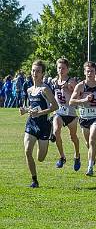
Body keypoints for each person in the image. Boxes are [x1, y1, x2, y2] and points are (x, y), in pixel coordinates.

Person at [20, 60, 58, 188]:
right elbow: (31, 106)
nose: (34, 73)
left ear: (42, 74)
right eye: (33, 70)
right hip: (31, 124)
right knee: (27, 151)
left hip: (44, 126)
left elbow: (55, 106)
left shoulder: (45, 89)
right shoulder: (30, 89)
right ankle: (34, 180)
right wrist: (24, 110)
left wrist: (41, 113)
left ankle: (48, 134)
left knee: (40, 158)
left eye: (37, 71)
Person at [69, 61, 96, 176]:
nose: (90, 73)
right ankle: (92, 157)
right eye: (88, 71)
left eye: (92, 71)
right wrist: (83, 100)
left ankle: (90, 167)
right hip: (83, 118)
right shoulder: (80, 86)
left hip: (95, 118)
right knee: (88, 143)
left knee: (92, 140)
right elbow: (71, 101)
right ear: (84, 72)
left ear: (95, 72)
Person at [51, 58, 81, 171]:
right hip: (59, 112)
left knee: (73, 137)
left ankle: (77, 155)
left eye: (63, 68)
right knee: (56, 131)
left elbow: (79, 96)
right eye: (59, 68)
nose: (61, 70)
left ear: (67, 69)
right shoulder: (54, 81)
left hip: (71, 113)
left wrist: (70, 90)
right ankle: (62, 157)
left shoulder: (71, 81)